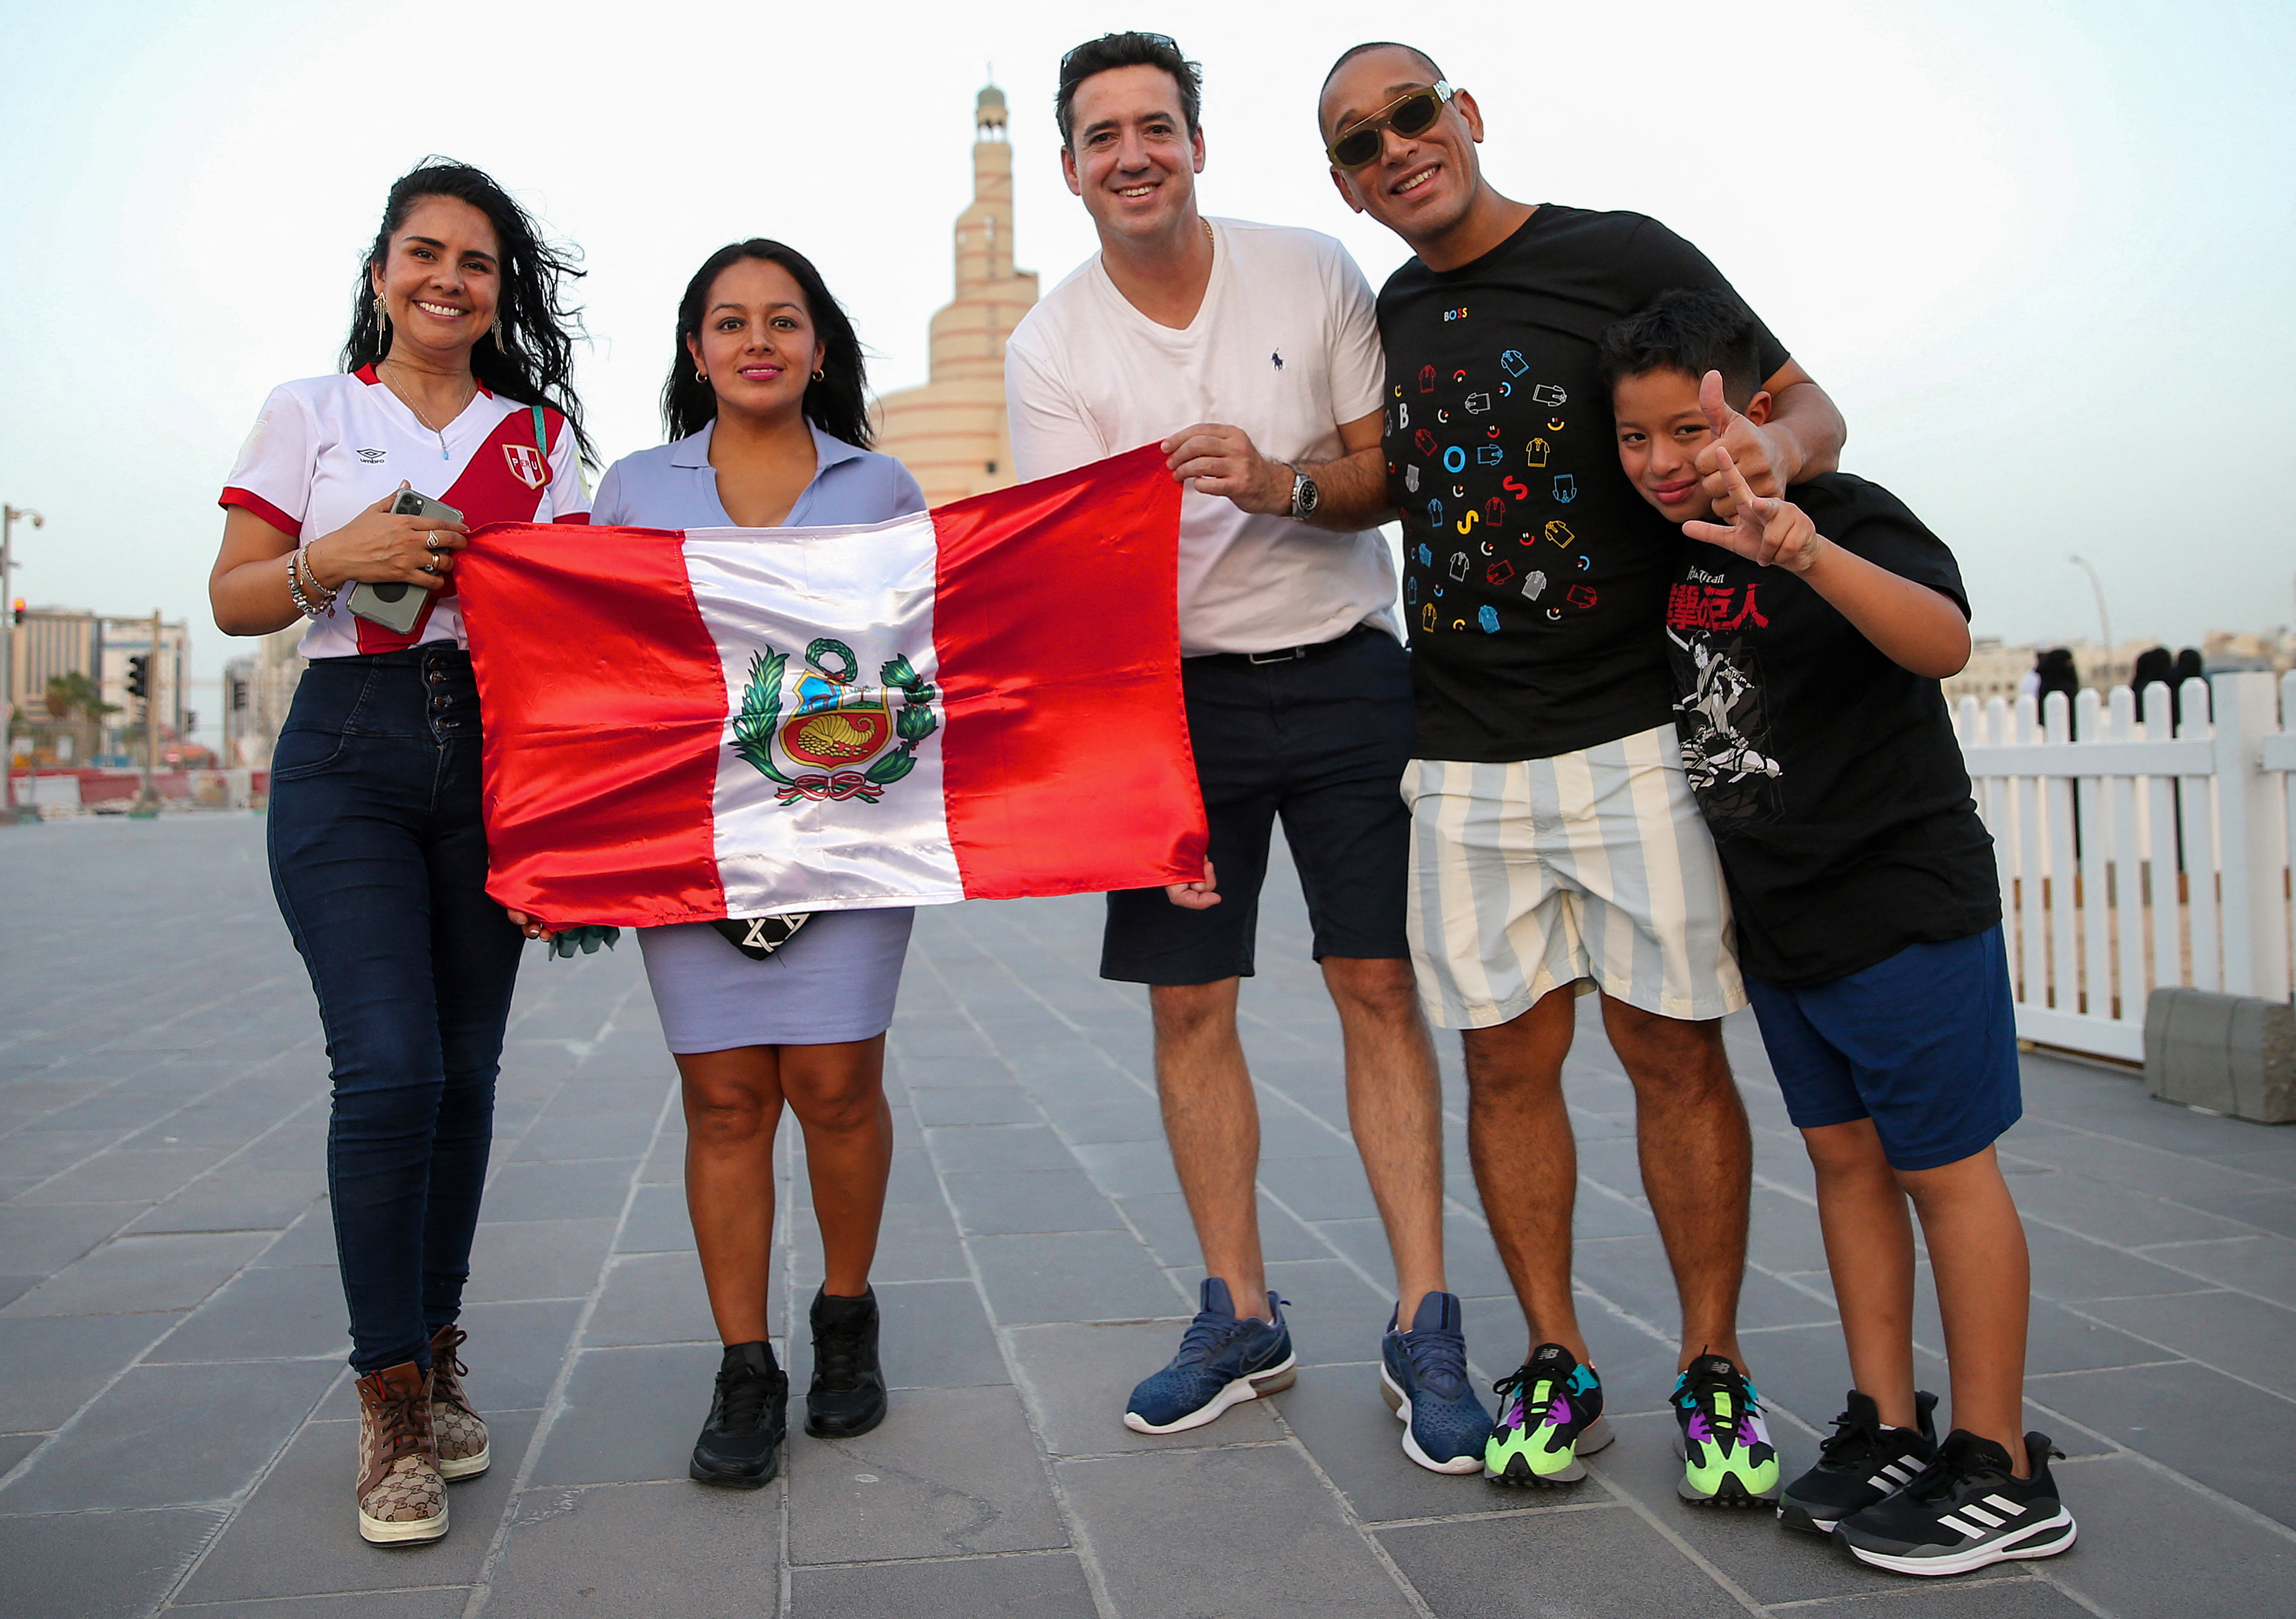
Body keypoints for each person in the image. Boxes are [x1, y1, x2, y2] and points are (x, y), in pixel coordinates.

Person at [1318, 42, 1849, 1501]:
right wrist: (1283, 481)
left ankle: (1713, 1367)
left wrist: (1767, 471)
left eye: (1413, 116)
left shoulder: (1621, 254)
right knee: (1505, 1066)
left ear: (1468, 117)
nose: (1396, 149)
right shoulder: (1395, 310)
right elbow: (1379, 475)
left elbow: (1810, 409)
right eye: (1360, 145)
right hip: (1464, 757)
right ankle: (1555, 1358)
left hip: (1633, 741)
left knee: (1674, 1051)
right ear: (1350, 189)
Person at [1006, 31, 1484, 1473]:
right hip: (1177, 702)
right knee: (1188, 1004)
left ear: (1198, 144)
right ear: (1074, 168)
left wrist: (1276, 484)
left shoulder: (1310, 272)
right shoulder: (1054, 347)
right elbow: (1072, 582)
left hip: (1346, 673)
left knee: (1378, 981)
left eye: (1158, 125)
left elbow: (1387, 468)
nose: (1135, 154)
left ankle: (1424, 1318)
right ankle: (1242, 1311)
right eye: (1104, 136)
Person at [1604, 287, 2074, 1575]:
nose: (1657, 462)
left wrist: (1802, 549)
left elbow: (1942, 641)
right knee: (1848, 1163)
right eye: (1632, 438)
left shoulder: (1847, 513)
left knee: (1945, 1171)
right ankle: (1889, 1422)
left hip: (1900, 903)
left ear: (1753, 411)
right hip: (1788, 928)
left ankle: (2002, 1462)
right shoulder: (1675, 553)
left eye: (1679, 432)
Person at [209, 161, 593, 1545]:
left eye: (477, 261)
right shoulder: (313, 412)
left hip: (491, 760)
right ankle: (386, 1401)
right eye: (423, 253)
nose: (449, 278)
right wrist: (336, 553)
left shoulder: (536, 437)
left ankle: (437, 1351)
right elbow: (234, 599)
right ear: (381, 273)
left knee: (470, 1076)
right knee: (390, 1067)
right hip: (346, 758)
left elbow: (576, 629)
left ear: (502, 291)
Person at [589, 239, 925, 1490]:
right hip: (687, 840)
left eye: (783, 321)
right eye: (729, 323)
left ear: (819, 347)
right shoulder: (632, 489)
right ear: (697, 352)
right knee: (726, 1100)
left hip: (853, 831)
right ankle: (745, 1362)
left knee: (837, 1087)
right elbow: (592, 663)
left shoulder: (881, 487)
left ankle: (846, 1319)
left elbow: (931, 652)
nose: (757, 341)